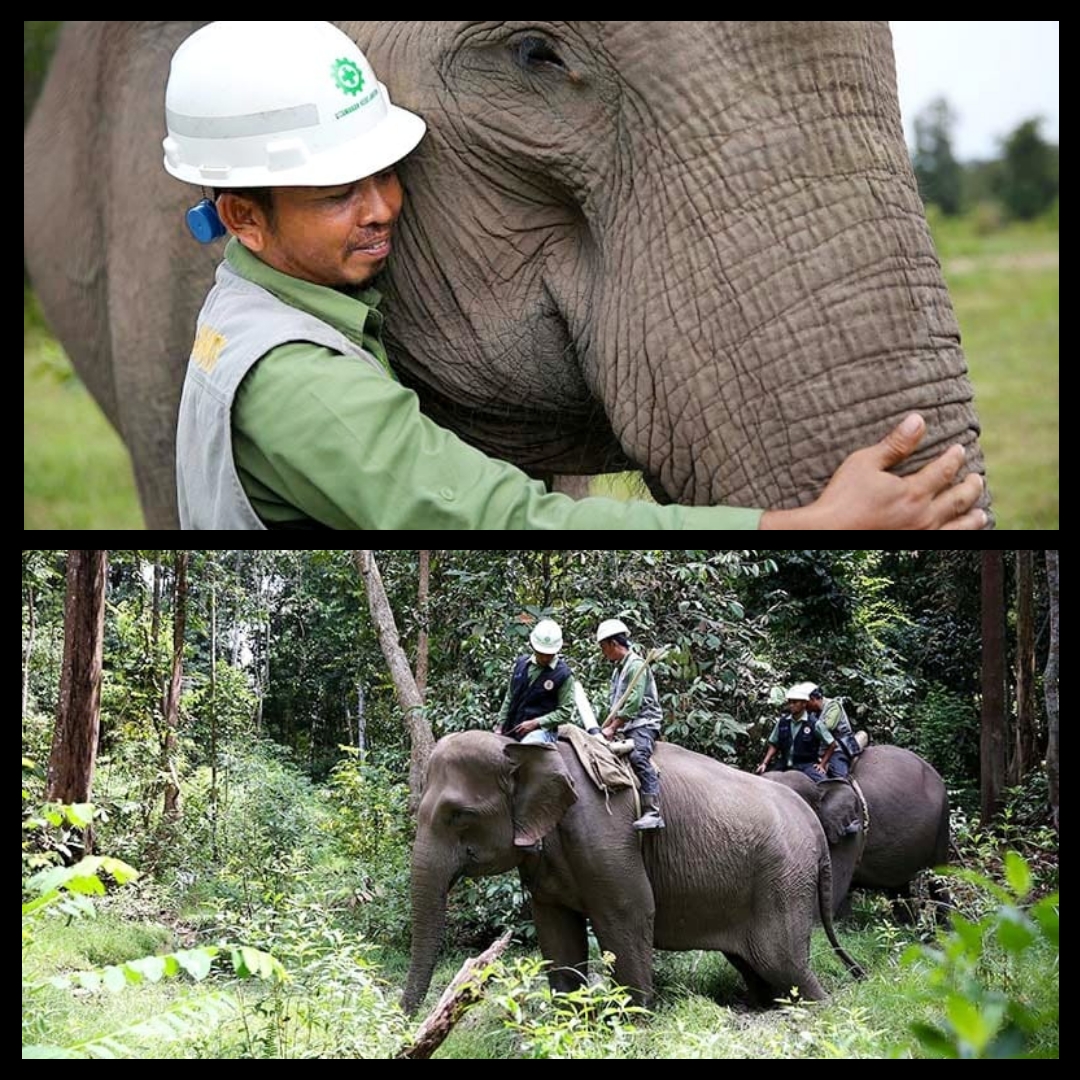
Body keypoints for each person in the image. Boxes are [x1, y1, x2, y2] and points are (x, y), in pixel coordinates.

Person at [163, 21, 989, 531]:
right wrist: (796, 526)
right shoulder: (298, 381)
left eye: (386, 173)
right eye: (340, 194)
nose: (384, 208)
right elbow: (496, 518)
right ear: (243, 216)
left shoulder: (254, 311)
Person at [597, 619, 665, 830]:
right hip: (626, 726)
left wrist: (612, 728)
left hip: (643, 723)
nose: (603, 652)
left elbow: (633, 703)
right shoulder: (619, 669)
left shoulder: (636, 665)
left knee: (638, 756)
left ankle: (653, 811)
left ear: (613, 643)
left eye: (603, 647)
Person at [495, 620, 576, 745]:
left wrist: (537, 722)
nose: (544, 658)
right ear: (533, 646)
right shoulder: (521, 664)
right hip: (513, 727)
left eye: (549, 654)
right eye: (541, 653)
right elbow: (510, 696)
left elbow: (565, 711)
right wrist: (500, 725)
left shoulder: (563, 675)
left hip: (542, 731)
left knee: (527, 748)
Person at [755, 683, 839, 784]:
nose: (791, 705)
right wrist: (764, 763)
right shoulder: (782, 722)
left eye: (795, 702)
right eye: (790, 702)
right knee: (761, 781)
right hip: (784, 764)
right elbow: (774, 744)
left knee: (824, 784)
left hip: (806, 765)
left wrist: (822, 764)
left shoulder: (814, 724)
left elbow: (832, 744)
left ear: (804, 703)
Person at [807, 687, 862, 778]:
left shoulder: (833, 706)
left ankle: (849, 787)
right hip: (821, 750)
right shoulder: (813, 712)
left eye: (806, 702)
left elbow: (827, 727)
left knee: (839, 775)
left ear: (813, 699)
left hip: (839, 748)